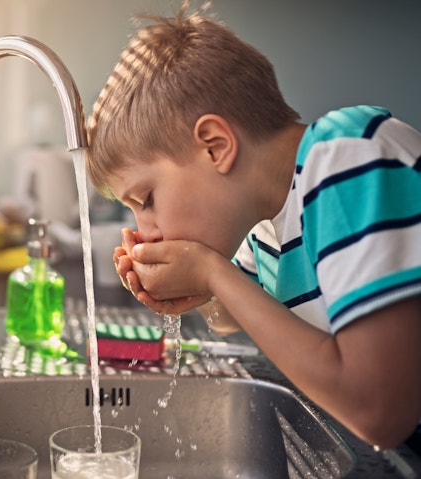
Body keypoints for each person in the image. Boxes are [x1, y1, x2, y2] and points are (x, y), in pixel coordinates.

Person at [85, 3, 421, 449]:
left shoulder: (349, 155)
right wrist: (195, 293)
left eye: (145, 200)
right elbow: (232, 317)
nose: (144, 231)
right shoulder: (265, 221)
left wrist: (211, 272)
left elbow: (379, 412)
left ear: (215, 146)